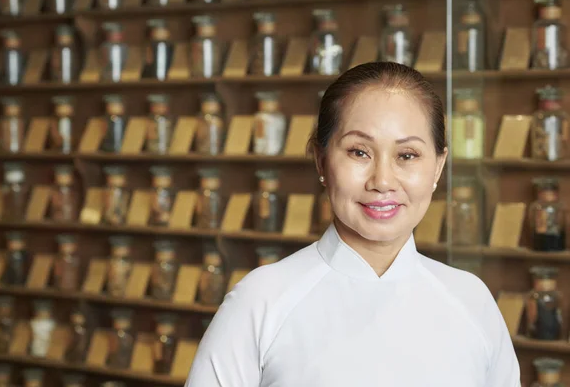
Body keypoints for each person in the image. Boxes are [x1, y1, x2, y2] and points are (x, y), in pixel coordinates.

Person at [185, 62, 521, 386]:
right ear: (321, 159)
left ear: (437, 167)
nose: (383, 181)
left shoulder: (472, 301)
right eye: (359, 152)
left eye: (407, 155)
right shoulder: (260, 303)